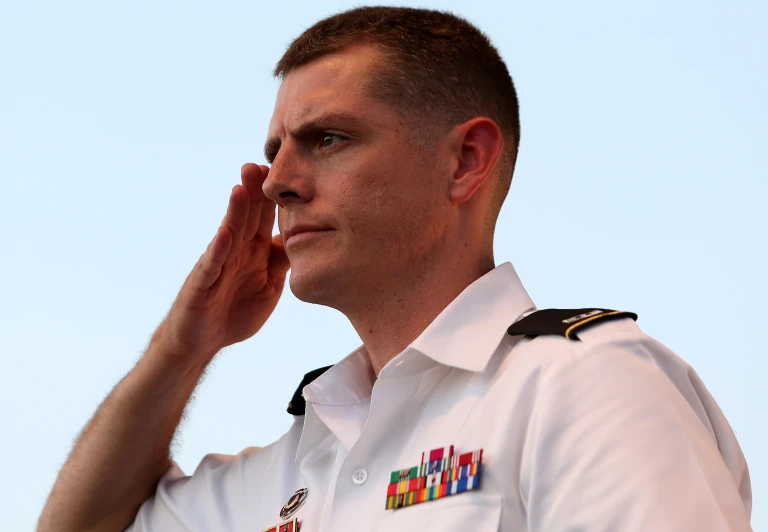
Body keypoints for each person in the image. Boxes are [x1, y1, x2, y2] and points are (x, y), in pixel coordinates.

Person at [38, 6, 752, 532]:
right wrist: (180, 349)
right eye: (276, 147)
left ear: (465, 161)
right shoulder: (295, 461)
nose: (275, 182)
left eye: (327, 138)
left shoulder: (583, 385)